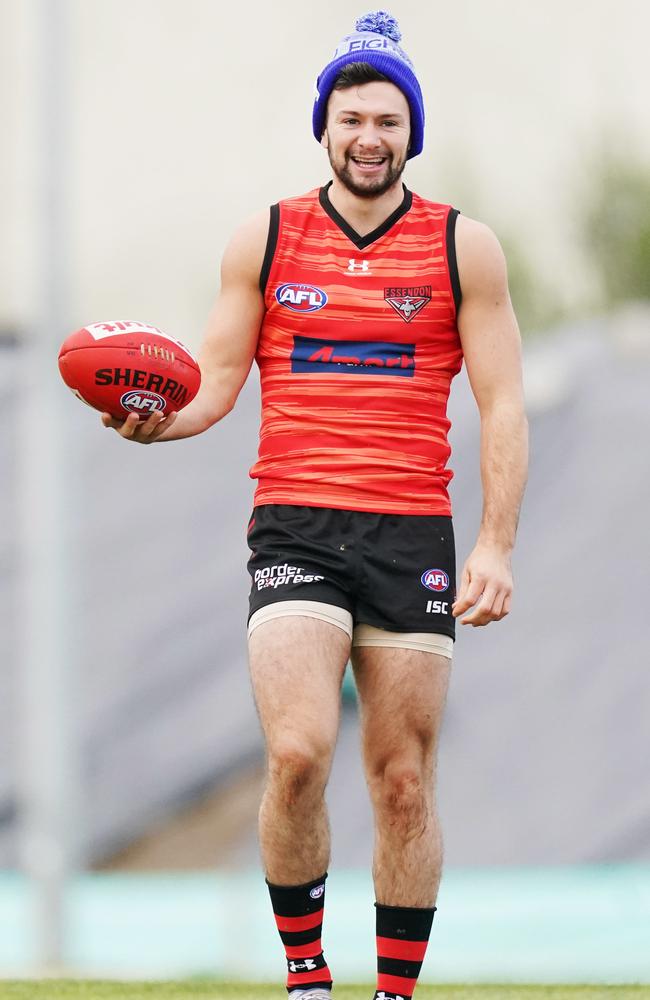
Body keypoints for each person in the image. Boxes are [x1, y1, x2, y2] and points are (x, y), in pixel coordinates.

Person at [103, 10, 528, 1000]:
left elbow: (502, 402)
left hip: (410, 529)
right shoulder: (267, 236)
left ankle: (393, 994)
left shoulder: (465, 248)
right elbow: (211, 381)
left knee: (402, 778)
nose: (367, 136)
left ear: (408, 132)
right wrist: (153, 418)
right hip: (294, 521)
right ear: (324, 128)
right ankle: (305, 978)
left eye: (386, 119)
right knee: (296, 754)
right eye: (350, 118)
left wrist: (496, 544)